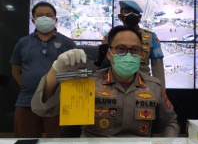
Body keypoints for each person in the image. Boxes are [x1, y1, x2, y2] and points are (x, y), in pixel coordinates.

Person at [31, 26, 179, 137]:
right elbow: (42, 108)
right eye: (121, 49)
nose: (128, 54)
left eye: (135, 50)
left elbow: (170, 122)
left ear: (141, 55)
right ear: (109, 53)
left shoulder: (153, 86)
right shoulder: (88, 81)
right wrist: (55, 70)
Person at [10, 1, 76, 138]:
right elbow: (16, 69)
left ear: (56, 20)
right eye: (39, 15)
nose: (44, 18)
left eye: (48, 15)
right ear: (33, 20)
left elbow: (75, 70)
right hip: (27, 101)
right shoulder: (23, 43)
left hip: (58, 103)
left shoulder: (67, 43)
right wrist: (28, 85)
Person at [99, 0, 166, 87]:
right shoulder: (110, 37)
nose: (131, 15)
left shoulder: (151, 37)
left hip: (143, 86)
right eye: (127, 12)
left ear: (140, 17)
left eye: (135, 13)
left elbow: (158, 68)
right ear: (120, 16)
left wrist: (161, 91)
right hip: (114, 86)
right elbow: (103, 64)